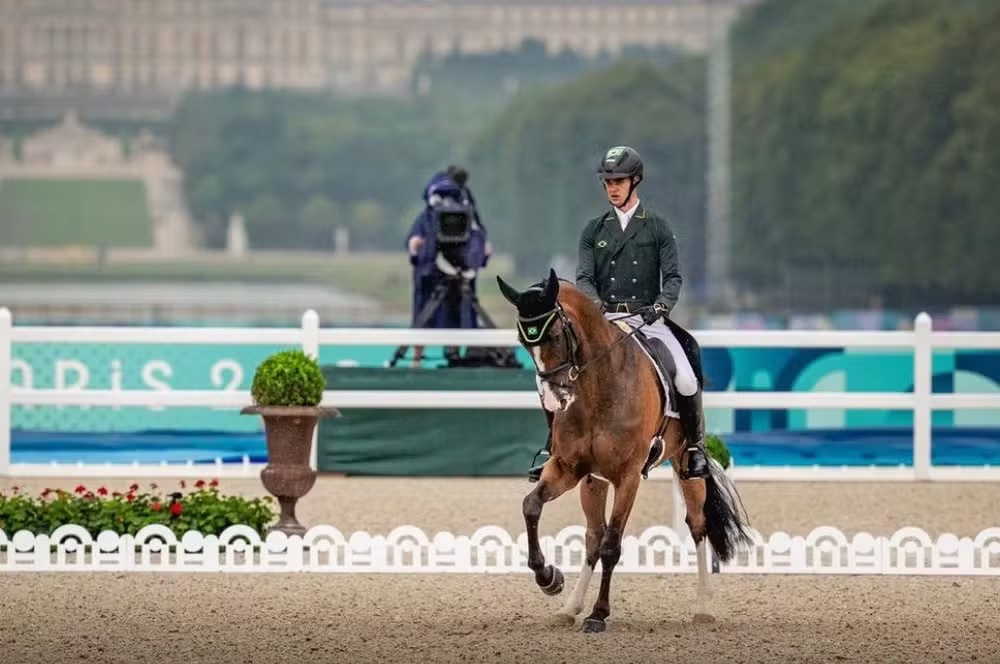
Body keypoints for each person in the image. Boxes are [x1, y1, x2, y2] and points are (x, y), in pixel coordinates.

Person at [526, 145, 709, 482]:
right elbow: (584, 277)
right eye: (608, 181)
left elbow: (672, 278)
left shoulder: (657, 228)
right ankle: (553, 446)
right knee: (556, 375)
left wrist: (661, 306)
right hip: (605, 320)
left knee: (684, 373)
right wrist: (594, 305)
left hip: (646, 320)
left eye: (619, 181)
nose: (612, 187)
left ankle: (695, 446)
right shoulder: (593, 231)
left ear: (635, 181)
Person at [405, 169, 491, 367]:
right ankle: (419, 360)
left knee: (457, 311)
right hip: (435, 272)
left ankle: (431, 360)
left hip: (458, 269)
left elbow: (476, 238)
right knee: (428, 313)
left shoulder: (464, 209)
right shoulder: (433, 213)